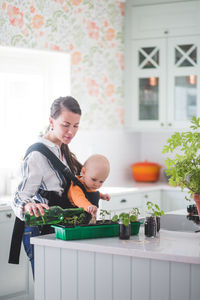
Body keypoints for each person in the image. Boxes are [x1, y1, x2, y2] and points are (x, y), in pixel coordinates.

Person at [9, 96, 83, 277]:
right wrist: (27, 205)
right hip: (41, 230)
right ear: (51, 121)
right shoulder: (37, 155)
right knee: (49, 289)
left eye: (76, 126)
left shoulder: (62, 149)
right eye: (66, 125)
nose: (71, 132)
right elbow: (18, 196)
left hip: (62, 229)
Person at [68, 154, 111, 219]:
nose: (97, 184)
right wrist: (88, 206)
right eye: (94, 179)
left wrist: (102, 196)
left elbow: (92, 193)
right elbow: (79, 200)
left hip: (87, 220)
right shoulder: (76, 187)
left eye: (101, 182)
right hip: (75, 221)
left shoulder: (90, 186)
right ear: (83, 172)